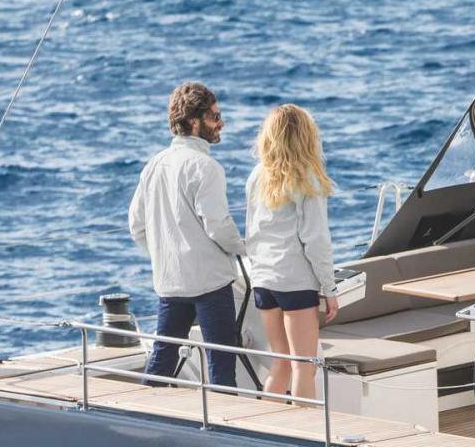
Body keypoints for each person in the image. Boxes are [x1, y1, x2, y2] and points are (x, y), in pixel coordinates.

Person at [128, 81, 245, 388]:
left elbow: (136, 225)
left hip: (171, 281)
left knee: (162, 360)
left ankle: (140, 412)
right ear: (195, 122)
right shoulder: (206, 167)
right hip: (210, 283)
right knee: (221, 365)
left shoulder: (154, 165)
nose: (221, 123)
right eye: (215, 117)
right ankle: (223, 418)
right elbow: (218, 226)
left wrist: (165, 254)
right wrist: (246, 248)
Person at [244, 104, 338, 401]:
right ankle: (305, 426)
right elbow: (316, 241)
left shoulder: (257, 175)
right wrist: (330, 288)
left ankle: (265, 423)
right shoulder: (308, 178)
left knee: (281, 363)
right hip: (295, 281)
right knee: (304, 366)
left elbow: (251, 232)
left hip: (264, 281)